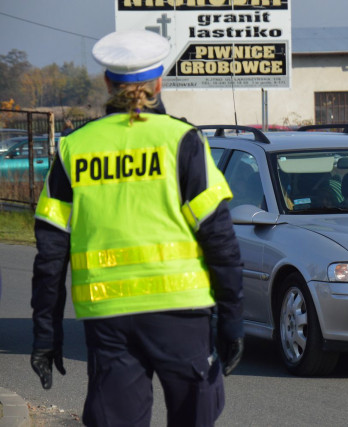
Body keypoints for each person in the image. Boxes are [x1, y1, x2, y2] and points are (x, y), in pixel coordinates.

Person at [30, 30, 244, 427]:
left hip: (108, 315)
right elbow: (219, 238)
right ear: (159, 82)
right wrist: (233, 318)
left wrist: (47, 332)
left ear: (108, 83)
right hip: (182, 314)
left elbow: (51, 254)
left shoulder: (74, 148)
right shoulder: (182, 141)